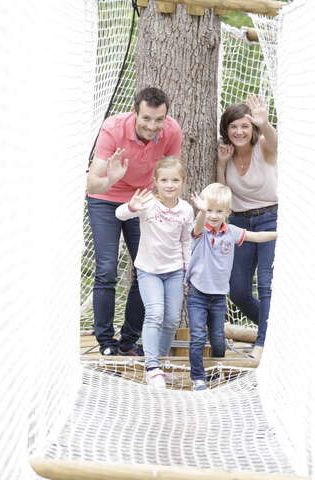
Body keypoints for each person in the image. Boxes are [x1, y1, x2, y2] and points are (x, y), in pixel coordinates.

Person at [86, 87, 183, 356]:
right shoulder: (113, 128)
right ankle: (106, 341)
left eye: (159, 119)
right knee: (106, 270)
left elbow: (169, 175)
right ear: (135, 112)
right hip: (106, 196)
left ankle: (129, 340)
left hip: (142, 201)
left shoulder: (172, 132)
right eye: (147, 119)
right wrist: (114, 177)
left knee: (146, 270)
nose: (153, 126)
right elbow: (93, 182)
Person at [185, 183, 277, 391]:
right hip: (197, 293)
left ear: (227, 212)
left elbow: (256, 236)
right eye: (209, 210)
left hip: (218, 296)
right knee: (198, 335)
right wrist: (201, 211)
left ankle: (217, 370)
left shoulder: (231, 232)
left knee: (218, 337)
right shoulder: (200, 231)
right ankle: (198, 378)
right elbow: (199, 226)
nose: (213, 216)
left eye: (219, 211)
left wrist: (278, 234)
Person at [115, 157, 193, 389]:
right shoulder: (147, 203)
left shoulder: (186, 209)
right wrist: (131, 207)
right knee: (155, 313)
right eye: (164, 180)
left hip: (174, 271)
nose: (170, 185)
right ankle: (151, 367)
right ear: (156, 182)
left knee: (171, 319)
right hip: (149, 270)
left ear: (183, 182)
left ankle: (160, 363)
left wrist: (187, 270)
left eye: (175, 180)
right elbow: (120, 214)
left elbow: (186, 241)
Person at [215, 96, 278, 361]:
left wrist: (265, 124)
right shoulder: (226, 155)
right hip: (239, 222)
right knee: (238, 289)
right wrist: (220, 164)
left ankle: (262, 343)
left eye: (245, 126)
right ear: (226, 129)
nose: (239, 132)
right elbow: (222, 194)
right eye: (233, 127)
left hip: (270, 219)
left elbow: (276, 144)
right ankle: (275, 329)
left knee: (266, 283)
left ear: (252, 129)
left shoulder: (263, 147)